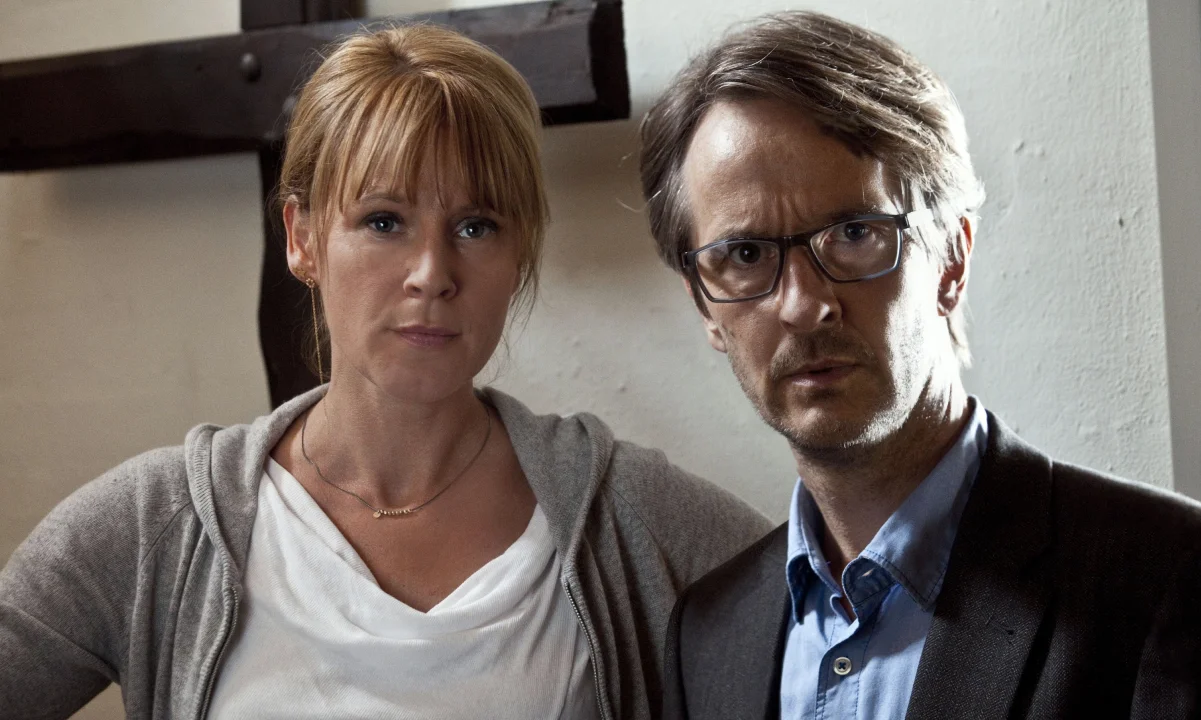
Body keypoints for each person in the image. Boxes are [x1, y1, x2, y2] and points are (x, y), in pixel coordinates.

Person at [0, 24, 771, 720]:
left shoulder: (627, 518)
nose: (431, 273)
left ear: (520, 252)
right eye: (383, 221)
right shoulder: (159, 525)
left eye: (476, 226)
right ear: (302, 238)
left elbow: (828, 635)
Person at [640, 11, 1201, 720]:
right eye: (746, 254)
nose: (803, 305)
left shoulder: (1179, 579)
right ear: (706, 307)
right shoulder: (706, 635)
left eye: (854, 233)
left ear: (952, 259)